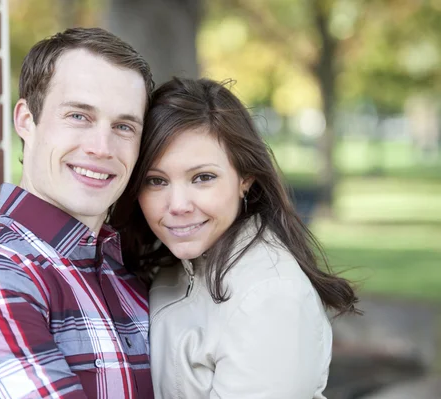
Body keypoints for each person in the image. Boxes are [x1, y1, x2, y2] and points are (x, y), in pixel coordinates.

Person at [0, 27, 155, 398]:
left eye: (123, 126)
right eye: (79, 116)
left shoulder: (129, 271)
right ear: (26, 120)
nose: (102, 148)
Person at [112, 77, 359, 398]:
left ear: (245, 179)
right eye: (156, 181)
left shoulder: (269, 297)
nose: (178, 206)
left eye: (202, 178)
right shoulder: (176, 265)